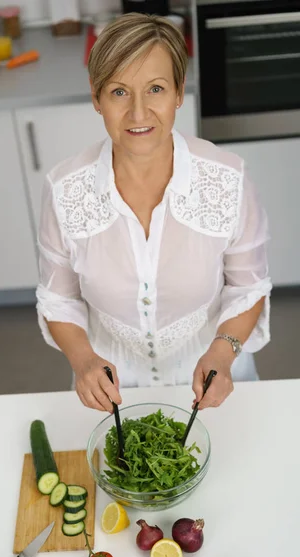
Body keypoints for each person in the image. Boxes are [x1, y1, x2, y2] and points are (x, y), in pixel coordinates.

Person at [36, 12, 272, 413]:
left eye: (156, 89)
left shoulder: (228, 180)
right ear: (97, 98)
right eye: (119, 92)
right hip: (110, 388)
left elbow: (248, 289)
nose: (139, 113)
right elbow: (59, 300)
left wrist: (223, 351)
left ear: (179, 93)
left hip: (215, 379)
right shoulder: (64, 190)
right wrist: (83, 360)